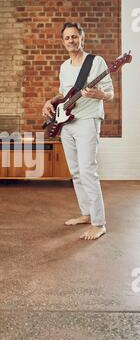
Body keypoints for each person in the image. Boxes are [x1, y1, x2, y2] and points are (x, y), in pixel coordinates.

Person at [42, 22, 114, 240]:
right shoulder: (64, 66)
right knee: (75, 171)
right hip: (67, 123)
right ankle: (86, 213)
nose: (71, 40)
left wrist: (98, 95)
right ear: (63, 41)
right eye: (67, 38)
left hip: (88, 120)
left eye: (75, 36)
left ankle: (99, 223)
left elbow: (110, 94)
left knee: (88, 170)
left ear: (82, 38)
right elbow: (63, 94)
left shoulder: (96, 62)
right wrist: (50, 101)